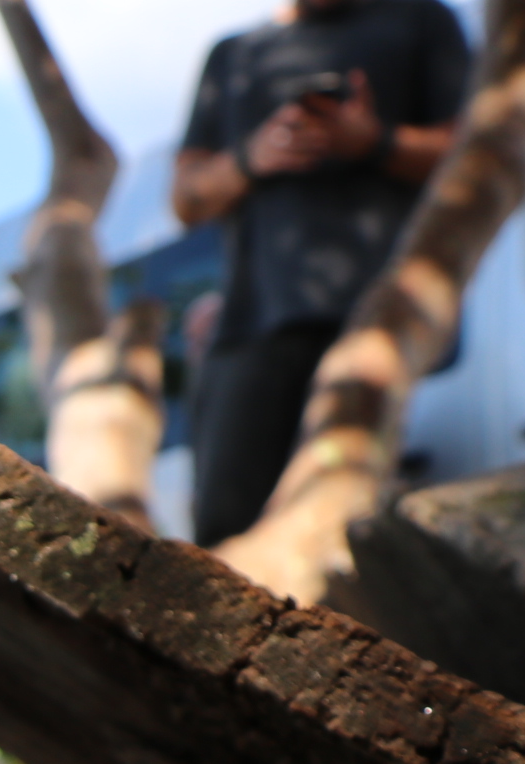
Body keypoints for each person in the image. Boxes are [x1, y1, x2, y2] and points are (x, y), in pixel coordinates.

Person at [171, 0, 468, 546]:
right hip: (252, 330)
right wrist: (249, 158)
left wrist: (374, 142)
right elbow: (186, 199)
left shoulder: (420, 21)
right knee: (226, 534)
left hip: (381, 326)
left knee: (356, 534)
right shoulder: (233, 55)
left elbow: (474, 152)